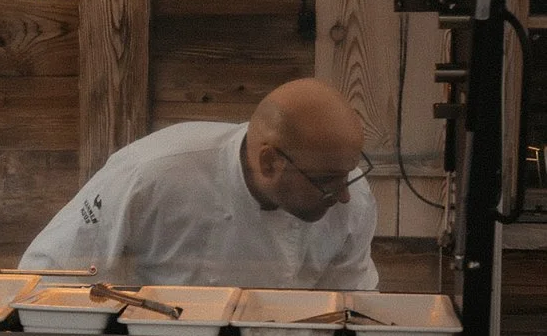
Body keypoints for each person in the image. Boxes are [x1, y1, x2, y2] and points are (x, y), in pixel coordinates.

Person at [20, 77, 377, 290]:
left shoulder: (353, 196)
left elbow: (351, 303)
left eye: (350, 174)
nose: (345, 195)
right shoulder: (155, 172)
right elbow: (51, 272)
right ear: (270, 162)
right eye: (327, 181)